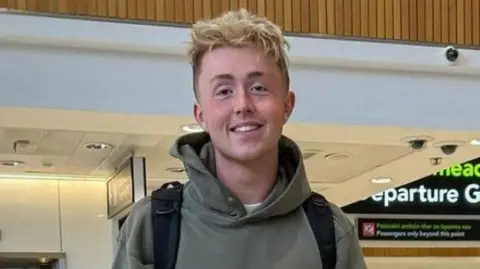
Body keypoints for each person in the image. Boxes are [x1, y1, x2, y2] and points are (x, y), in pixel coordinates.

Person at [112, 9, 367, 269]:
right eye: (224, 91)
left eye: (259, 88)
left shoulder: (331, 233)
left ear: (286, 105)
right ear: (201, 115)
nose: (242, 105)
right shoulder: (151, 228)